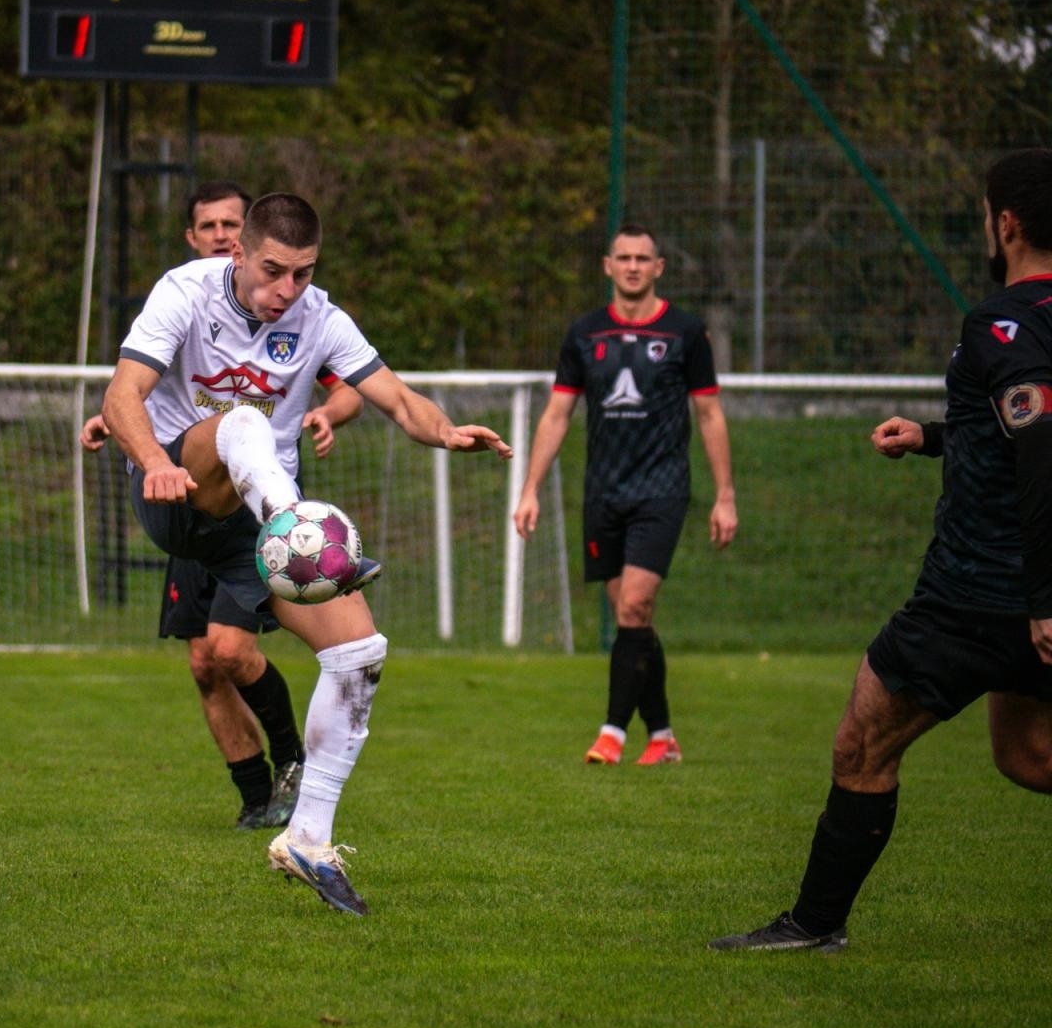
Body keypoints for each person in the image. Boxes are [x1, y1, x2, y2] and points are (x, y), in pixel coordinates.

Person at [103, 191, 511, 915]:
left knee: (361, 652)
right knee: (240, 425)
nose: (285, 290)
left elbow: (395, 397)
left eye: (303, 273)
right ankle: (301, 531)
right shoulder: (184, 292)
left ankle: (308, 839)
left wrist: (445, 432)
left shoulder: (321, 317)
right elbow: (122, 395)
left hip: (254, 532)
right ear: (237, 254)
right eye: (272, 271)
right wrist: (150, 460)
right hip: (180, 489)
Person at [711, 148, 1052, 952]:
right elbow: (1015, 428)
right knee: (1031, 755)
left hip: (984, 593)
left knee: (862, 744)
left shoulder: (1003, 319)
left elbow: (1041, 445)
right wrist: (935, 436)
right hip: (1017, 589)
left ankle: (814, 926)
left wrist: (1043, 598)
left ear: (1005, 222)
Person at [81, 180, 364, 831]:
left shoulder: (287, 308)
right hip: (186, 489)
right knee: (206, 665)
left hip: (252, 509)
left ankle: (294, 757)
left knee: (231, 649)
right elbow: (137, 388)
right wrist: (119, 430)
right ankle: (257, 798)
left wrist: (330, 414)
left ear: (248, 238)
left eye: (232, 224)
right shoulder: (188, 297)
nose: (222, 236)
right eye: (210, 226)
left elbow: (345, 381)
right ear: (197, 239)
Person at [513, 223, 738, 766]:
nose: (633, 266)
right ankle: (661, 736)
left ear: (659, 267)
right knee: (629, 618)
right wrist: (530, 489)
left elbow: (709, 413)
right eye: (624, 257)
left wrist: (725, 494)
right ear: (607, 266)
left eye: (643, 258)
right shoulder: (584, 333)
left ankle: (612, 733)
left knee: (635, 606)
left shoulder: (686, 332)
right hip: (603, 493)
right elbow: (558, 412)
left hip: (661, 491)